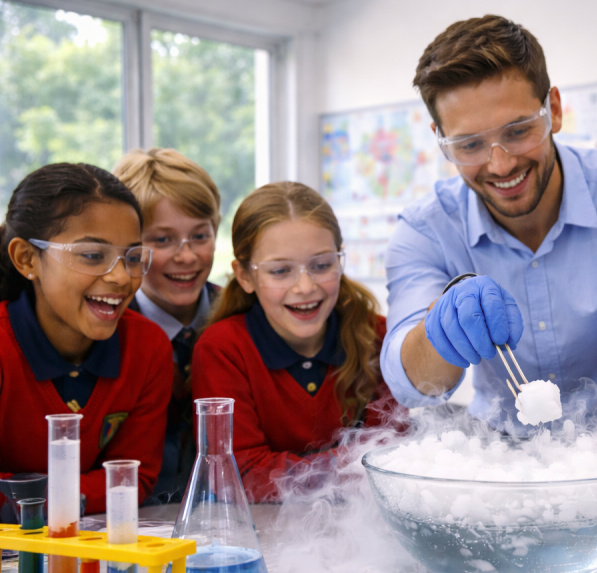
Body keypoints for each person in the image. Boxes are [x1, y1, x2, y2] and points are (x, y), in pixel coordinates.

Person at [383, 15, 597, 446]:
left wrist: (595, 469)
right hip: (499, 457)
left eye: (518, 131)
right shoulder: (425, 230)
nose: (501, 164)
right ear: (440, 139)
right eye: (469, 145)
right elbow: (411, 384)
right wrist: (440, 332)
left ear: (554, 108)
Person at [191, 182, 400, 502]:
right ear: (245, 276)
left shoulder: (379, 337)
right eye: (280, 271)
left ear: (340, 261)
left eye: (321, 265)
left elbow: (395, 457)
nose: (305, 286)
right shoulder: (222, 349)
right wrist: (351, 464)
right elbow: (237, 474)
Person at [0, 163, 173, 514]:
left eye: (133, 257)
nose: (122, 278)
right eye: (94, 256)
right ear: (26, 259)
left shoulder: (148, 347)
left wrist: (30, 499)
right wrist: (78, 496)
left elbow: (133, 478)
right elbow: (113, 487)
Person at [114, 148, 222, 502]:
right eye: (162, 239)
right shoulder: (108, 328)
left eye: (200, 236)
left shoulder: (241, 318)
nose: (187, 255)